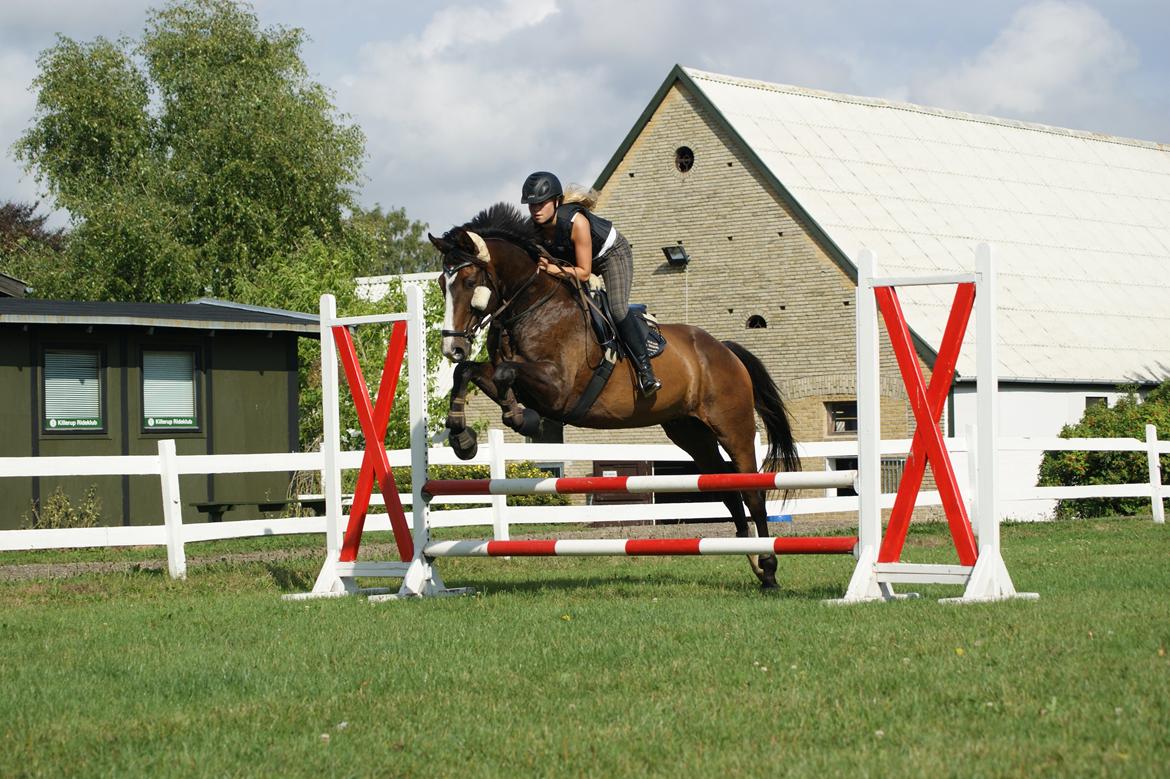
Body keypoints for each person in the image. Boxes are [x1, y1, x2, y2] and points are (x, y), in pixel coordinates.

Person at [521, 171, 661, 396]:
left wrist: (551, 268)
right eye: (531, 205)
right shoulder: (534, 228)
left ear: (557, 201)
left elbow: (584, 273)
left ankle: (646, 371)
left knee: (617, 309)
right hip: (575, 260)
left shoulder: (577, 222)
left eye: (542, 203)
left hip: (611, 255)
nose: (536, 210)